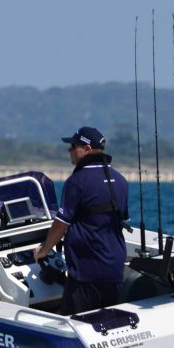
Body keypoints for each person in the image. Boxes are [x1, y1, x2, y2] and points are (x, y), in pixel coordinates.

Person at [34, 126, 130, 315]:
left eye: (73, 146)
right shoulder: (121, 180)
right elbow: (122, 219)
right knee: (107, 323)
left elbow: (61, 225)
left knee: (74, 323)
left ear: (86, 149)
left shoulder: (76, 181)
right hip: (115, 268)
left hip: (87, 272)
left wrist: (43, 251)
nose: (69, 150)